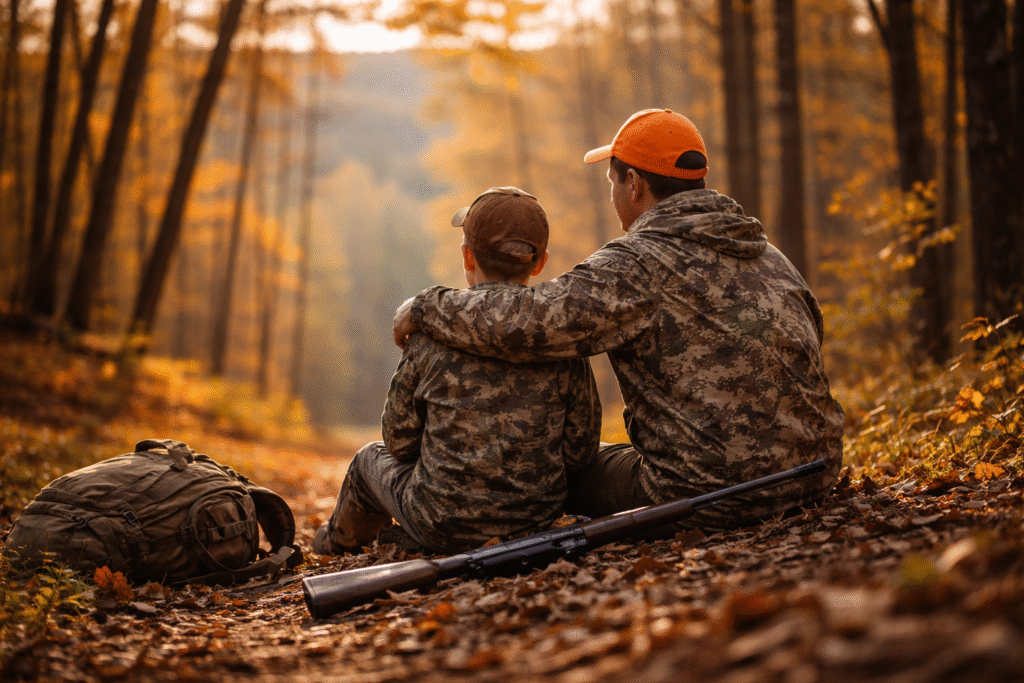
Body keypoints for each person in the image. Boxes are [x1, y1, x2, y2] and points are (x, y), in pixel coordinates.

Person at [393, 109, 845, 532]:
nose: (612, 196)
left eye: (612, 182)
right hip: (813, 476)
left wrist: (425, 307)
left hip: (706, 495)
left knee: (552, 468)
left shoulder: (637, 264)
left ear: (633, 184)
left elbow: (529, 321)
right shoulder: (772, 257)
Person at [315, 187, 601, 555]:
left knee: (368, 459)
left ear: (468, 257)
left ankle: (336, 544)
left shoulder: (429, 332)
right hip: (534, 522)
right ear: (540, 262)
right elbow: (580, 451)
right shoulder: (559, 338)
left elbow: (398, 441)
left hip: (439, 521)